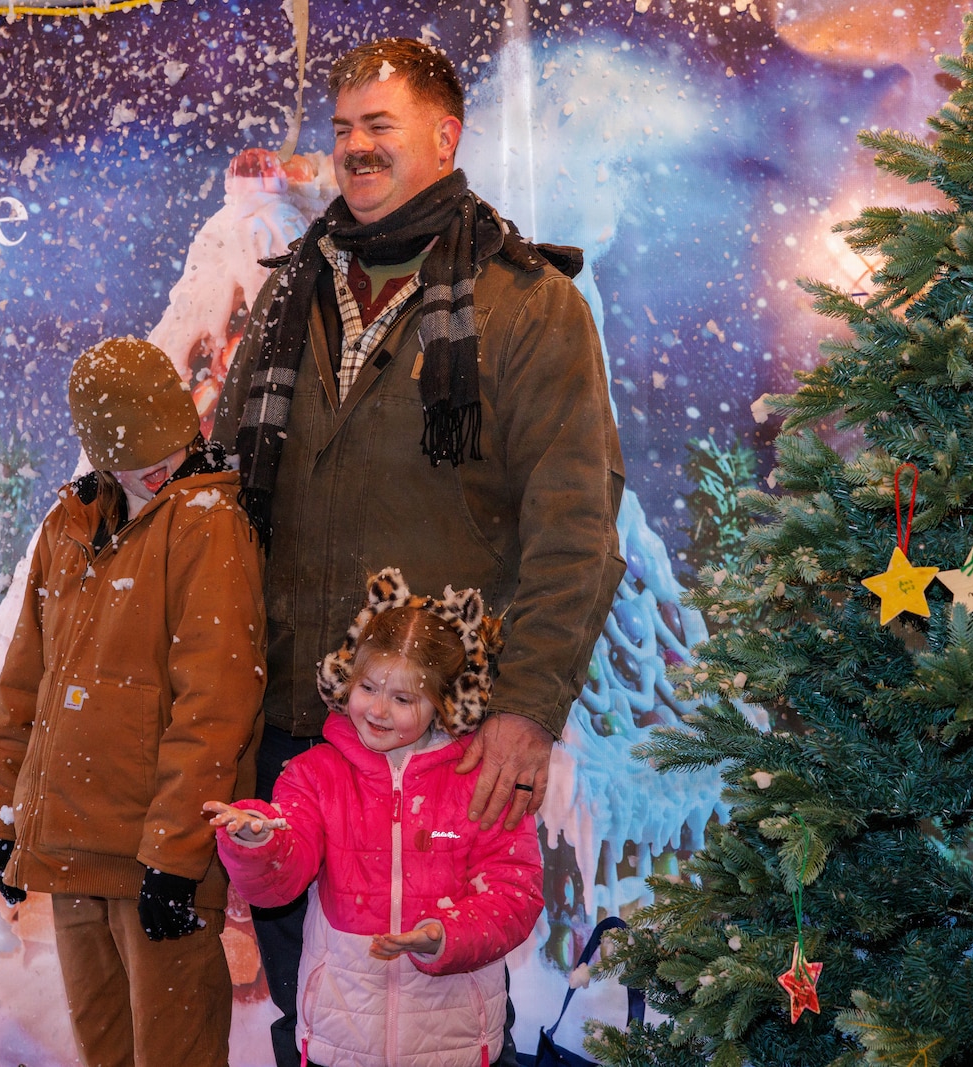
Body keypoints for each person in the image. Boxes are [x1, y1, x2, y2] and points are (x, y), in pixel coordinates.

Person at [212, 36, 625, 1066]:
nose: (353, 148)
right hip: (294, 742)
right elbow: (222, 501)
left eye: (378, 126)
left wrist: (527, 710)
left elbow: (574, 522)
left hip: (438, 750)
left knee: (432, 1023)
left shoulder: (528, 305)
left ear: (445, 136)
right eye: (343, 128)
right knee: (311, 1015)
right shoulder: (286, 297)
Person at [0, 336, 266, 1067]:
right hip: (71, 850)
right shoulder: (69, 526)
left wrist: (176, 855)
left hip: (155, 859)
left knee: (175, 1055)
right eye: (131, 453)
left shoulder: (207, 523)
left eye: (161, 449)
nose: (152, 468)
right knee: (106, 1053)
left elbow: (216, 703)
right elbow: (23, 684)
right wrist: (4, 809)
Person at [205, 569, 544, 1067]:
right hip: (341, 1036)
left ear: (444, 703)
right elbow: (280, 879)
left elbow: (516, 892)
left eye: (403, 698)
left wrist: (448, 935)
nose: (378, 710)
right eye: (368, 687)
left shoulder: (480, 781)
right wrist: (258, 841)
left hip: (454, 1039)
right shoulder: (316, 773)